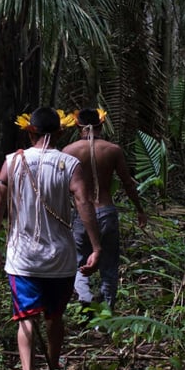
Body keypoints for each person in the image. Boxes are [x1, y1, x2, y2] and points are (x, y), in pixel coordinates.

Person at [0, 107, 103, 370]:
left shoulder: (12, 162)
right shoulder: (70, 164)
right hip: (60, 260)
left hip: (22, 259)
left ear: (30, 131)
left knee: (26, 320)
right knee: (55, 318)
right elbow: (85, 204)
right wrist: (96, 246)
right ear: (61, 132)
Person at [62, 108, 148, 313]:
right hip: (106, 211)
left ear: (77, 126)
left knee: (79, 262)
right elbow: (127, 182)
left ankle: (86, 298)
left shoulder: (68, 151)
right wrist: (139, 209)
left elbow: (60, 186)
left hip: (82, 214)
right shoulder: (112, 150)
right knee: (109, 264)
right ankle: (108, 309)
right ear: (101, 125)